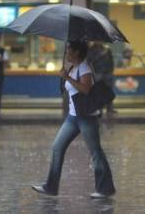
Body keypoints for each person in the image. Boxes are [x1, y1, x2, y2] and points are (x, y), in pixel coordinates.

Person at [32, 41, 116, 198]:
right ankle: (51, 186)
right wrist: (64, 77)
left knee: (95, 152)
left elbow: (86, 89)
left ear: (77, 52)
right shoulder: (73, 67)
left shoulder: (84, 67)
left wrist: (68, 78)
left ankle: (105, 189)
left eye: (69, 51)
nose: (67, 53)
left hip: (86, 118)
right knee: (57, 147)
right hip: (72, 117)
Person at [87, 42, 116, 115]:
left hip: (106, 74)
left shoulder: (107, 49)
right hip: (99, 74)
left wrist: (111, 71)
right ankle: (100, 109)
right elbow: (90, 61)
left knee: (108, 91)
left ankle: (109, 109)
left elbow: (111, 62)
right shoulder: (91, 50)